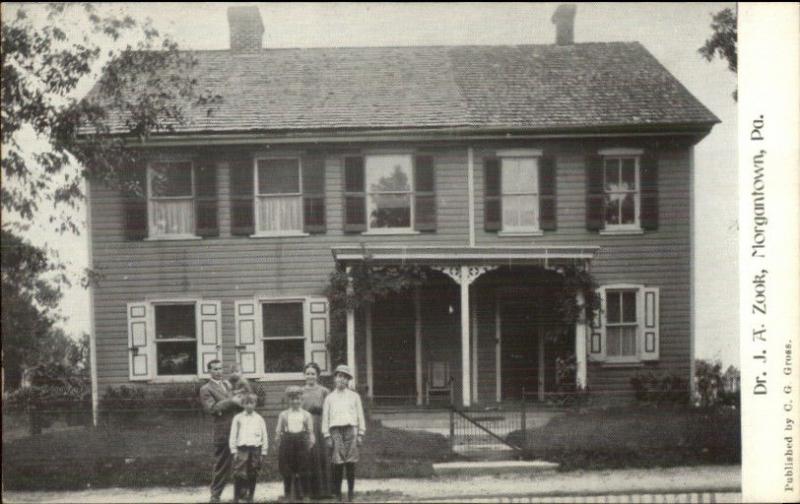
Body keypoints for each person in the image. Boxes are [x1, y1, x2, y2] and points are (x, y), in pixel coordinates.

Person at [199, 359, 243, 503]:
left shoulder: (227, 385)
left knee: (241, 462)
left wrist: (241, 400)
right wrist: (232, 401)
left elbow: (237, 403)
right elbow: (212, 408)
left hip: (238, 428)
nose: (218, 372)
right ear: (209, 371)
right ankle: (215, 495)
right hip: (223, 431)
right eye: (215, 369)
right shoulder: (206, 389)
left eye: (220, 369)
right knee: (222, 464)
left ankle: (241, 493)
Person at [321, 365, 366, 502]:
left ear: (348, 381)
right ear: (335, 378)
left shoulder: (354, 396)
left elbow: (360, 415)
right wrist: (327, 435)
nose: (342, 380)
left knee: (350, 462)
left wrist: (360, 433)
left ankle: (351, 492)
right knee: (338, 462)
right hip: (335, 431)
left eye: (345, 377)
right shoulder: (330, 398)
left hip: (351, 429)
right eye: (339, 376)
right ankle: (338, 494)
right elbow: (326, 417)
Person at [276, 385, 315, 502]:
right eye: (292, 399)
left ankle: (305, 493)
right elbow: (279, 430)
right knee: (287, 469)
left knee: (303, 468)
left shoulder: (306, 415)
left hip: (302, 441)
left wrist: (311, 441)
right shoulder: (283, 415)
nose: (295, 401)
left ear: (301, 400)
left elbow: (310, 431)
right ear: (288, 400)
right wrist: (278, 441)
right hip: (288, 441)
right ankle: (288, 493)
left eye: (298, 399)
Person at [229, 393, 268, 503]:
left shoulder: (259, 418)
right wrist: (233, 450)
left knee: (253, 472)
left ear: (255, 404)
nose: (249, 406)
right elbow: (233, 434)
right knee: (239, 473)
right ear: (243, 404)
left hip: (255, 449)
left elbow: (264, 435)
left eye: (252, 403)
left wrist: (263, 451)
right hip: (242, 449)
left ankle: (250, 496)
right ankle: (236, 497)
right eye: (247, 403)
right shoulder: (238, 418)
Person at [301, 362, 331, 499]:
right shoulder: (300, 391)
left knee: (321, 455)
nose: (310, 376)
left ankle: (323, 491)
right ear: (304, 375)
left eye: (313, 373)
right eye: (308, 373)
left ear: (317, 375)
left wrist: (320, 410)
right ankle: (309, 491)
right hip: (306, 426)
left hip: (319, 425)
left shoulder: (324, 391)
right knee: (308, 456)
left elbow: (330, 409)